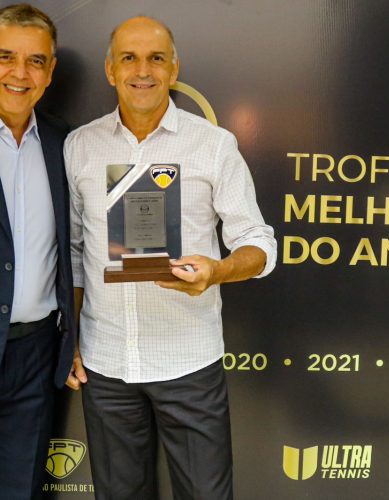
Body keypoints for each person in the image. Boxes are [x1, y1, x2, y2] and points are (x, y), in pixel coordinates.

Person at [64, 15, 276, 500]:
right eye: (129, 58)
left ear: (174, 68)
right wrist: (71, 340)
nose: (143, 70)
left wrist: (217, 271)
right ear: (110, 70)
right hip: (106, 364)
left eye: (156, 58)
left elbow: (258, 242)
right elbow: (75, 252)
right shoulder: (80, 146)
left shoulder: (214, 146)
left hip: (189, 363)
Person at [0, 3, 75, 499]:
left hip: (35, 353)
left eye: (35, 61)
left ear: (50, 72)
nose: (19, 73)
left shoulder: (63, 143)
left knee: (19, 488)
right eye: (5, 56)